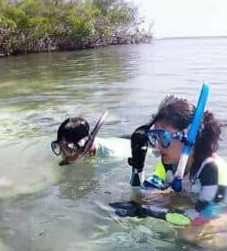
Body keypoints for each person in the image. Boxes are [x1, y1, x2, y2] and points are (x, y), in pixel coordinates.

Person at [112, 94, 226, 227]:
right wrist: (138, 166)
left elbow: (204, 216)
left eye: (163, 138)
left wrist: (151, 212)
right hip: (193, 204)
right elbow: (146, 192)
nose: (157, 147)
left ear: (188, 137)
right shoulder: (169, 162)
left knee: (190, 235)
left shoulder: (211, 168)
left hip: (218, 214)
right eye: (154, 138)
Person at [50, 112, 129, 165]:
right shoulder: (84, 150)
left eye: (68, 148)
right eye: (60, 146)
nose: (63, 155)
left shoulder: (113, 158)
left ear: (86, 145)